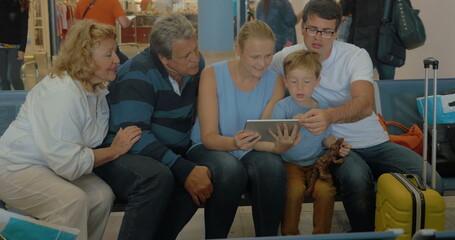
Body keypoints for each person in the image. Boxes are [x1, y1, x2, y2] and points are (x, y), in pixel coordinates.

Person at [269, 0, 444, 232]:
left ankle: (408, 230)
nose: (318, 37)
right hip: (335, 146)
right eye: (312, 29)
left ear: (337, 31)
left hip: (375, 142)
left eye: (326, 31)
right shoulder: (287, 57)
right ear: (303, 27)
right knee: (357, 180)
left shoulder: (355, 55)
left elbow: (365, 104)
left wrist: (328, 116)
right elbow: (255, 71)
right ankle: (365, 234)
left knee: (433, 182)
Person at [0, 20, 141, 240]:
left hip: (50, 166)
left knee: (102, 196)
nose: (116, 59)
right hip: (15, 168)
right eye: (109, 54)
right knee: (71, 201)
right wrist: (115, 151)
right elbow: (69, 163)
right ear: (85, 58)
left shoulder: (95, 89)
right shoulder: (63, 93)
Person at [93, 13, 211, 240]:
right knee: (158, 177)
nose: (195, 59)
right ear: (164, 59)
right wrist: (183, 169)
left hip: (166, 152)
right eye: (186, 55)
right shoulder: (137, 73)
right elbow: (135, 135)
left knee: (204, 178)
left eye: (196, 49)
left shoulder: (196, 67)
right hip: (122, 153)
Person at [187, 20, 286, 238]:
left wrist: (279, 145)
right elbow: (209, 136)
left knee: (273, 168)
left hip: (252, 148)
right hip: (210, 148)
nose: (263, 64)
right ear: (238, 50)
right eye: (255, 57)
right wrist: (233, 142)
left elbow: (264, 136)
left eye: (268, 55)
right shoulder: (212, 74)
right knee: (231, 171)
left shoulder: (276, 81)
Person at [255, 50, 351, 235]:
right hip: (289, 164)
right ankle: (290, 235)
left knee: (326, 192)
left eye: (306, 82)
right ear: (285, 81)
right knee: (293, 192)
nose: (300, 88)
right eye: (293, 81)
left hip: (317, 165)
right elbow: (272, 139)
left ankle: (321, 236)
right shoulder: (282, 107)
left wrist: (338, 146)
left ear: (317, 82)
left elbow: (327, 138)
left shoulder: (322, 108)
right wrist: (293, 125)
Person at [340, 0, 396, 80]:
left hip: (364, 34)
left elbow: (346, 8)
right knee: (387, 79)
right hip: (389, 34)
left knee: (360, 75)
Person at [0, 0, 28, 90]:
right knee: (3, 81)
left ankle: (23, 100)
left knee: (13, 77)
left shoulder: (22, 3)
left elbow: (24, 28)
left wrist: (22, 48)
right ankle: (5, 104)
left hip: (15, 47)